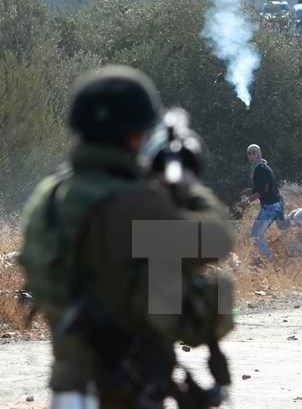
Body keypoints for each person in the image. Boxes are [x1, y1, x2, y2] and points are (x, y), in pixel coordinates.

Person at [20, 66, 235, 408]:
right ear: (135, 134)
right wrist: (188, 187)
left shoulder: (48, 196)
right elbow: (216, 240)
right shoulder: (128, 202)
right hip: (125, 390)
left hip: (68, 386)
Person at [238, 144, 283, 260]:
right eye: (249, 153)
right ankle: (261, 260)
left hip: (270, 207)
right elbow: (266, 188)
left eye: (254, 153)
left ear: (259, 154)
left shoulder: (259, 169)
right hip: (274, 206)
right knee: (257, 235)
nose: (251, 156)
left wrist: (246, 202)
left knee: (255, 236)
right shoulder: (262, 166)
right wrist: (251, 191)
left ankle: (270, 262)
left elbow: (262, 192)